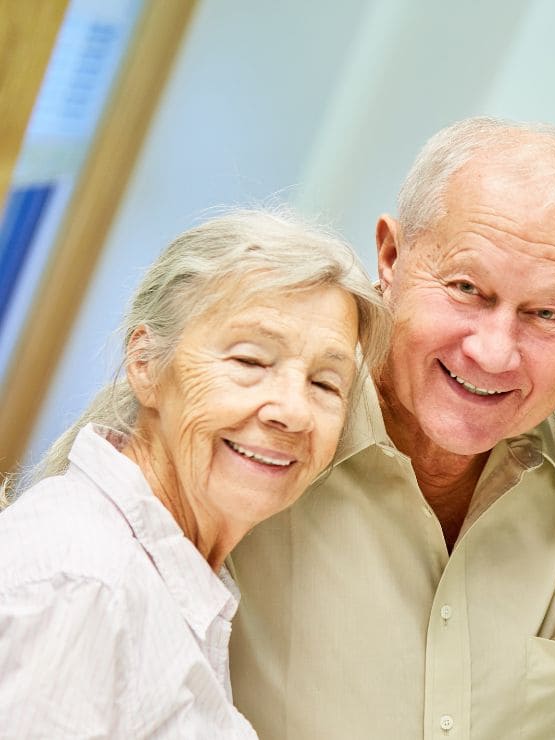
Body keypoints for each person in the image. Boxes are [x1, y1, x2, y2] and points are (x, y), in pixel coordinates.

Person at [228, 117, 555, 739]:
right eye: (467, 289)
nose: (494, 353)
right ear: (390, 257)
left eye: (546, 313)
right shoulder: (250, 419)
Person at [0, 210, 390, 737]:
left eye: (325, 384)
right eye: (250, 361)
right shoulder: (85, 584)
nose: (293, 411)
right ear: (145, 362)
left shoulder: (176, 579)